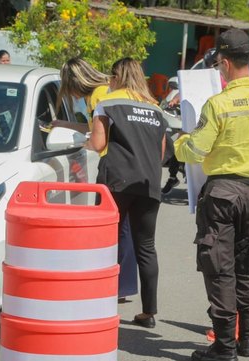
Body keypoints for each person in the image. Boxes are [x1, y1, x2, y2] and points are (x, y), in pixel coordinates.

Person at [174, 28, 249, 361]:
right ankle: (247, 339)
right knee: (245, 266)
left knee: (220, 270)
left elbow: (195, 151)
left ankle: (224, 347)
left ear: (223, 63)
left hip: (221, 194)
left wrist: (180, 140)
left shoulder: (218, 103)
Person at [87, 57, 167, 328]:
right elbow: (162, 152)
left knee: (107, 244)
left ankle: (101, 304)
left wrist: (85, 139)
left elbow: (98, 144)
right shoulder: (155, 108)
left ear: (116, 77)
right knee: (146, 247)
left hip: (116, 182)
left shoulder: (108, 103)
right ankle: (148, 312)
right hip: (149, 183)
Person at [56, 57, 139, 300]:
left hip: (115, 166)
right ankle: (122, 285)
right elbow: (98, 128)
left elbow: (99, 135)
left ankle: (116, 285)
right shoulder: (106, 90)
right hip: (131, 166)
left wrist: (82, 139)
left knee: (115, 227)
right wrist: (63, 124)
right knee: (124, 228)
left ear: (74, 82)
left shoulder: (99, 96)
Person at [161, 48, 227, 196]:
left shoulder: (224, 80)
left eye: (214, 64)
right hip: (197, 119)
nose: (211, 67)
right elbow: (185, 89)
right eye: (209, 64)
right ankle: (172, 177)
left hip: (216, 121)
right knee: (179, 143)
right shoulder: (198, 77)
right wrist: (174, 100)